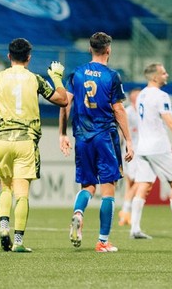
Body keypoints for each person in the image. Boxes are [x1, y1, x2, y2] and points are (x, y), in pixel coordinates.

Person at [0, 38, 68, 253]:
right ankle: (18, 241)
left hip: (1, 140)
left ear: (9, 57)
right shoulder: (36, 79)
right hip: (25, 140)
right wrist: (57, 78)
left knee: (5, 187)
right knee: (22, 193)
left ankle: (3, 227)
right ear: (29, 57)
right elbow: (63, 100)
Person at [58, 32, 134, 253]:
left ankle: (78, 213)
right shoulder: (112, 76)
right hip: (104, 136)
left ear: (90, 49)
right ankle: (102, 241)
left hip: (82, 136)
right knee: (108, 188)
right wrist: (129, 139)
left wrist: (62, 134)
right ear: (108, 49)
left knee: (88, 185)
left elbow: (65, 104)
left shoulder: (76, 74)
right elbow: (118, 109)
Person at [129, 63, 172, 240]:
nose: (166, 75)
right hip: (157, 147)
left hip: (143, 147)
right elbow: (170, 121)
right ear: (154, 77)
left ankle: (135, 229)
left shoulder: (142, 95)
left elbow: (152, 122)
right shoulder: (161, 96)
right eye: (163, 73)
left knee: (144, 185)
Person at [118, 87, 143, 226]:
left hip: (142, 152)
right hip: (131, 152)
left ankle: (125, 214)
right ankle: (126, 210)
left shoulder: (143, 111)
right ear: (133, 98)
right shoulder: (127, 112)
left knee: (132, 184)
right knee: (137, 181)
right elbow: (121, 133)